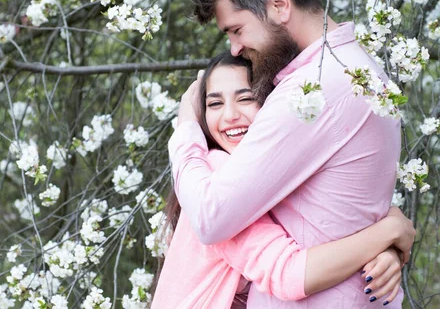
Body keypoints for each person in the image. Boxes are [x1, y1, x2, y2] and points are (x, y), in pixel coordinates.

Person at [170, 0, 409, 308]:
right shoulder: (359, 69)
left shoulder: (311, 93)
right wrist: (390, 233)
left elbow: (211, 217)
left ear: (279, 5)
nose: (233, 49)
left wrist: (185, 129)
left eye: (236, 29)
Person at [151, 53, 413, 308]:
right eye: (215, 104)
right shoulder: (218, 174)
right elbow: (288, 274)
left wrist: (386, 252)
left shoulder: (268, 175)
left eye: (246, 98)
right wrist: (389, 232)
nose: (230, 115)